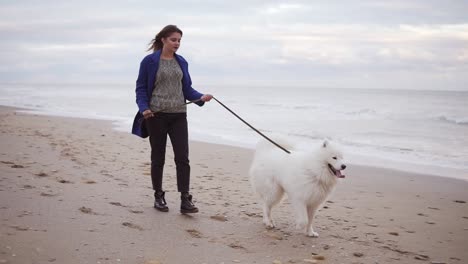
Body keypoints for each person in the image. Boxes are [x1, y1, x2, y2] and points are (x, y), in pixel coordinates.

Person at [132, 25, 213, 214]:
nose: (177, 43)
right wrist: (144, 108)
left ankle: (185, 199)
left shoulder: (182, 61)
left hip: (178, 115)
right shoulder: (149, 61)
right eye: (173, 40)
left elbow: (187, 89)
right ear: (163, 40)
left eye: (179, 40)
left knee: (182, 158)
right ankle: (158, 196)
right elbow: (141, 88)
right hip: (156, 116)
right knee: (158, 158)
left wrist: (200, 97)